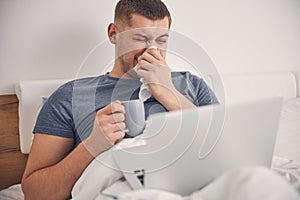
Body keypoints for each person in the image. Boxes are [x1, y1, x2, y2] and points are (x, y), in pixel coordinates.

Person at [21, 0, 218, 199]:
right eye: (141, 38)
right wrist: (93, 145)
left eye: (162, 40)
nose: (153, 51)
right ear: (113, 34)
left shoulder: (194, 86)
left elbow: (224, 157)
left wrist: (170, 94)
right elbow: (34, 193)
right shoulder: (70, 97)